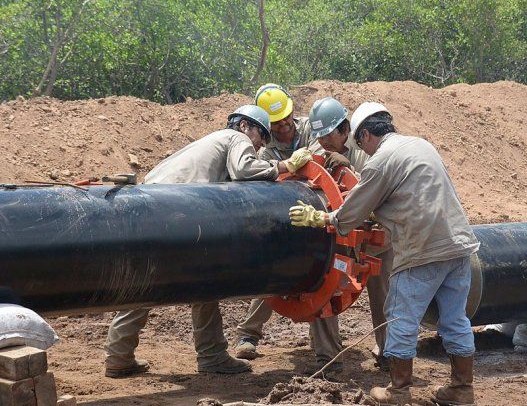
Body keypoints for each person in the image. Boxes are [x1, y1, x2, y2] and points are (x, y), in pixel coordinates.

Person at [289, 102, 481, 405]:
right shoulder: (421, 145)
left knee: (401, 317)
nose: (361, 149)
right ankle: (462, 388)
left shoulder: (381, 160)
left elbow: (353, 212)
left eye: (360, 142)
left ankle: (398, 391)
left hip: (422, 249)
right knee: (455, 319)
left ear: (366, 135)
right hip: (458, 245)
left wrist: (322, 217)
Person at [104, 104, 313, 378]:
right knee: (205, 281)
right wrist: (284, 165)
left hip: (149, 207)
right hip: (179, 211)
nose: (261, 145)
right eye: (261, 136)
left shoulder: (205, 144)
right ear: (244, 126)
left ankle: (118, 356)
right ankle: (212, 356)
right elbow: (244, 170)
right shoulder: (235, 137)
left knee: (148, 281)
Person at [235, 85, 342, 376]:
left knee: (322, 275)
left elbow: (325, 160)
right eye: (276, 123)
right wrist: (283, 166)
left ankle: (326, 352)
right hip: (283, 213)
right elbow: (259, 175)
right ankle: (248, 335)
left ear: (293, 111)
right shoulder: (264, 145)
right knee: (275, 273)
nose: (283, 126)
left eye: (286, 119)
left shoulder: (310, 129)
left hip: (319, 209)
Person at [307, 97, 393, 371]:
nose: (323, 142)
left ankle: (390, 354)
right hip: (335, 235)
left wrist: (350, 169)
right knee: (321, 288)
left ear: (345, 129)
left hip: (374, 237)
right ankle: (328, 359)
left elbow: (378, 192)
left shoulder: (368, 149)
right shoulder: (316, 152)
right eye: (319, 136)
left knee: (385, 296)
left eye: (328, 135)